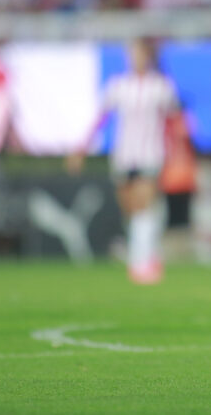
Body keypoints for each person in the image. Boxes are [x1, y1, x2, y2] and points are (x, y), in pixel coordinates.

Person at [66, 39, 181, 284]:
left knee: (144, 204)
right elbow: (101, 118)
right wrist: (81, 150)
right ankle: (146, 255)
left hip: (150, 153)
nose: (134, 58)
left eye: (138, 53)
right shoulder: (118, 86)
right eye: (131, 54)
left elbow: (173, 120)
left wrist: (177, 152)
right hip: (124, 155)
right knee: (129, 209)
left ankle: (141, 263)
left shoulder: (160, 86)